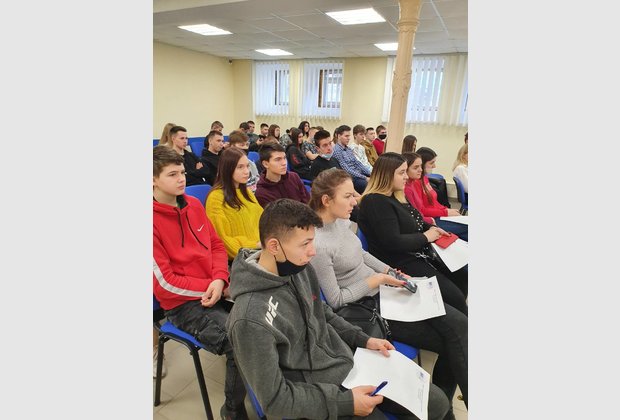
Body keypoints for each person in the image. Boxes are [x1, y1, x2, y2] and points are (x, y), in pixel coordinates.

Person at [226, 199, 450, 420]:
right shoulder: (249, 319)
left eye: (313, 241)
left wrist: (363, 339)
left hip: (344, 363)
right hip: (316, 393)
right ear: (274, 246)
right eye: (305, 244)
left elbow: (322, 312)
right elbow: (274, 400)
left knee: (436, 403)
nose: (313, 251)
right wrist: (346, 403)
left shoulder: (298, 267)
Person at [308, 168, 468, 411]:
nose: (355, 201)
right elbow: (337, 300)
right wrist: (377, 280)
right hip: (370, 306)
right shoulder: (318, 244)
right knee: (454, 340)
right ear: (326, 200)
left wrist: (391, 272)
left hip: (386, 292)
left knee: (461, 328)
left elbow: (361, 254)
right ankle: (442, 408)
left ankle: (444, 406)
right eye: (348, 196)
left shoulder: (340, 221)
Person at [152, 145, 248, 419]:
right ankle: (232, 412)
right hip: (183, 304)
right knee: (240, 343)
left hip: (215, 287)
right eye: (172, 174)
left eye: (182, 172)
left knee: (263, 321)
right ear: (153, 180)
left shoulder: (194, 204)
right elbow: (165, 282)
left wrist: (219, 278)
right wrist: (211, 286)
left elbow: (216, 245)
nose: (181, 179)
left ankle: (269, 384)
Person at [357, 152, 468, 307]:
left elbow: (416, 220)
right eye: (401, 173)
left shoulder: (396, 195)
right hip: (399, 261)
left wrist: (432, 228)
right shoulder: (375, 201)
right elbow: (393, 242)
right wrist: (426, 237)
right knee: (455, 297)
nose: (406, 177)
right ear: (386, 175)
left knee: (462, 276)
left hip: (416, 252)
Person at [205, 147, 263, 261]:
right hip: (244, 257)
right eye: (240, 167)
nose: (246, 171)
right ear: (228, 169)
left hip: (261, 249)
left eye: (247, 166)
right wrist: (256, 246)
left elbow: (262, 219)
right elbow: (222, 240)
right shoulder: (215, 198)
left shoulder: (246, 192)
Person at [410, 147, 467, 241]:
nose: (434, 166)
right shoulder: (415, 183)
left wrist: (446, 210)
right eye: (431, 163)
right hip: (431, 220)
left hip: (438, 215)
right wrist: (446, 212)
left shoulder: (424, 178)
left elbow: (434, 202)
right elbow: (422, 210)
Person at [255, 142, 310, 207]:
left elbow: (307, 202)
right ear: (265, 164)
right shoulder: (262, 193)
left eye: (284, 158)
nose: (284, 163)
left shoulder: (294, 177)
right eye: (278, 159)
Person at [332, 124, 371, 194]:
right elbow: (346, 169)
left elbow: (357, 163)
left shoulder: (348, 149)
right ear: (339, 136)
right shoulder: (336, 150)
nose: (349, 138)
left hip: (358, 174)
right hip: (351, 178)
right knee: (368, 185)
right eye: (346, 136)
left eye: (349, 136)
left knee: (376, 179)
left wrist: (370, 173)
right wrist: (364, 177)